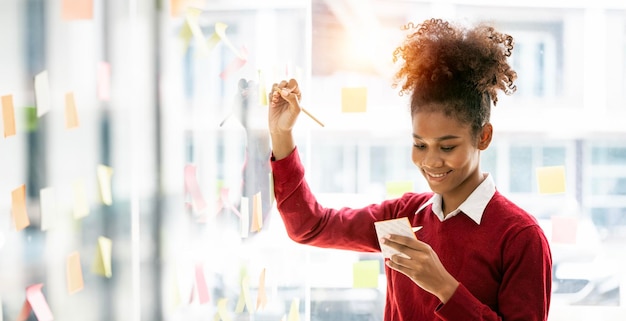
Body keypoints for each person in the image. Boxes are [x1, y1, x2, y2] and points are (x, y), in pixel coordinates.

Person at [268, 18, 552, 321]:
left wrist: (445, 288)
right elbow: (310, 227)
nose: (430, 161)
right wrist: (281, 134)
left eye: (447, 147)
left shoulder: (520, 237)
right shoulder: (403, 217)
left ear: (483, 136)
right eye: (419, 145)